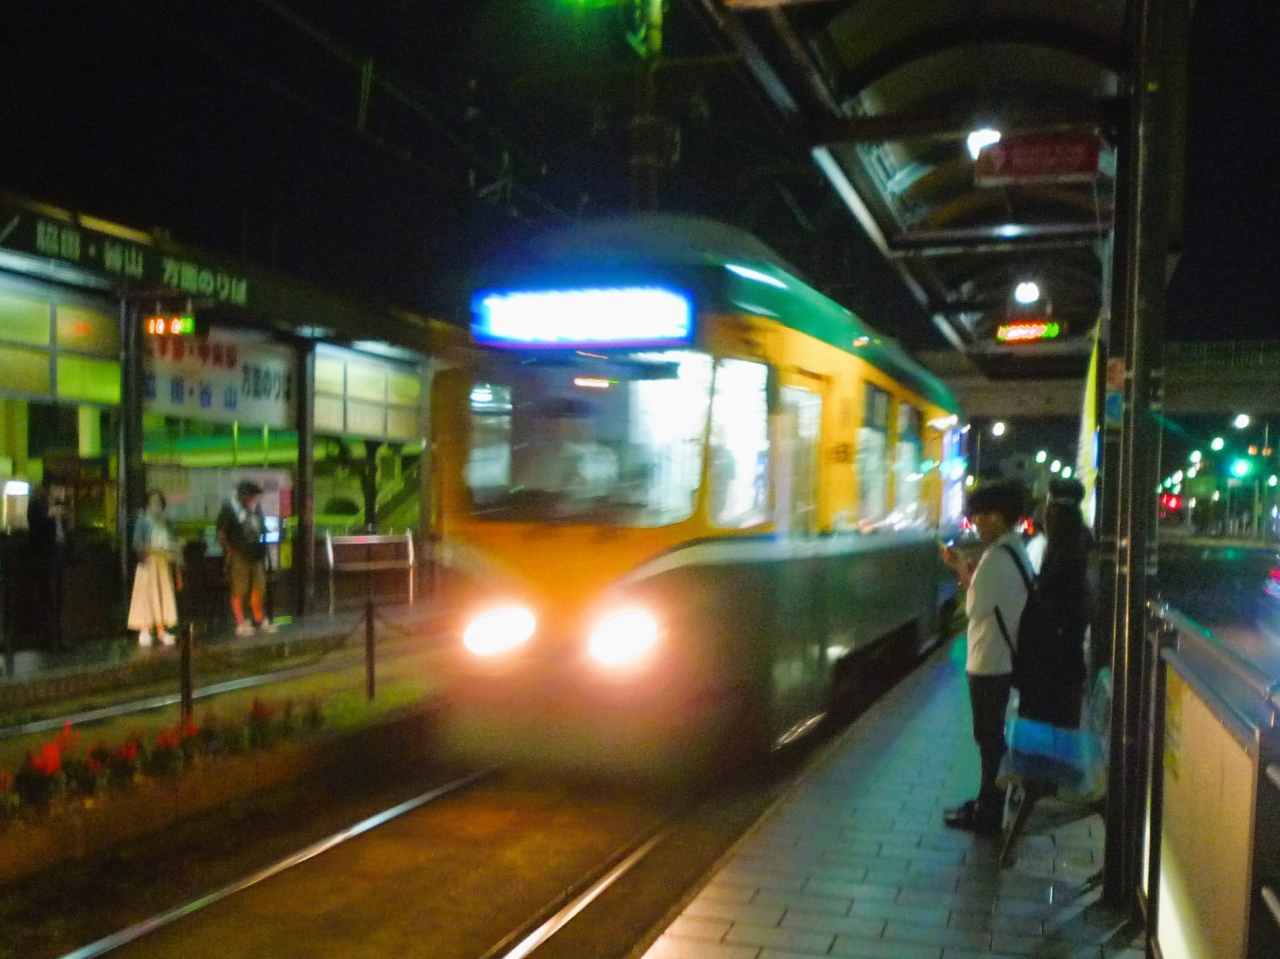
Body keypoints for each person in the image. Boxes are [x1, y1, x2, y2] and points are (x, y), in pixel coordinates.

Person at [940, 479, 1033, 834]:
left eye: (980, 514)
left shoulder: (996, 558)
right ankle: (986, 802)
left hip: (989, 661)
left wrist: (964, 570)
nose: (976, 521)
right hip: (1002, 658)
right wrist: (964, 568)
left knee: (988, 739)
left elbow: (974, 608)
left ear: (997, 515)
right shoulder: (1015, 549)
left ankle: (988, 812)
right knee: (991, 737)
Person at [1016, 478, 1091, 729]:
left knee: (1041, 736)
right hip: (1066, 667)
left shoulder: (1058, 557)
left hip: (1048, 671)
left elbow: (1047, 611)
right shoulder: (1080, 551)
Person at [217, 480, 276, 637]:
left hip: (256, 554)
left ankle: (258, 619)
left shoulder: (255, 510)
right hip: (238, 555)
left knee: (259, 587)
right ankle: (240, 623)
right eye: (251, 497)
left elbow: (262, 529)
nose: (253, 500)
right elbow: (221, 534)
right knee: (239, 589)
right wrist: (230, 551)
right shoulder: (229, 510)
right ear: (243, 496)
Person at [127, 490, 182, 647]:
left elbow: (173, 541)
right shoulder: (143, 521)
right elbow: (137, 544)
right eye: (152, 502)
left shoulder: (167, 522)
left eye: (158, 502)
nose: (155, 505)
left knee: (162, 595)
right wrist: (154, 549)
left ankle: (161, 630)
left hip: (163, 564)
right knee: (146, 596)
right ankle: (144, 629)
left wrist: (175, 552)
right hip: (148, 563)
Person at [26, 477, 71, 652]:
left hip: (60, 554)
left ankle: (60, 637)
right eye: (58, 488)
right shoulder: (37, 504)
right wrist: (49, 515)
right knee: (49, 598)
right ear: (49, 488)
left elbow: (66, 529)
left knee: (60, 598)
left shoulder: (61, 505)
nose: (61, 492)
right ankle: (50, 639)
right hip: (45, 556)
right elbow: (35, 528)